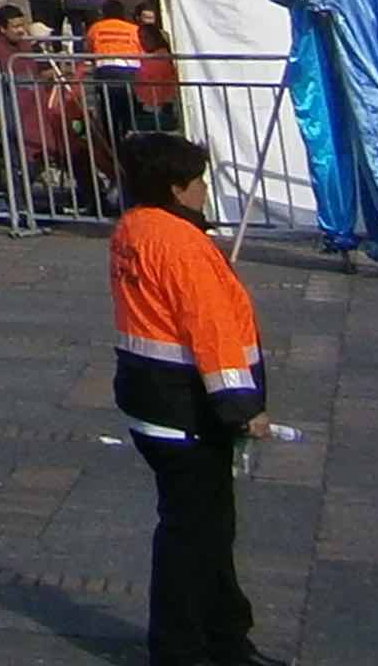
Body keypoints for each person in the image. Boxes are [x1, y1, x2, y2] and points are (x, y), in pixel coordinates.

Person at [107, 130, 272, 666]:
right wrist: (242, 407)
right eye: (199, 181)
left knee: (201, 525)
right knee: (196, 533)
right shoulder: (182, 245)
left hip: (150, 398)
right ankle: (186, 647)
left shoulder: (134, 229)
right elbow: (212, 330)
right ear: (178, 189)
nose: (205, 191)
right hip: (186, 407)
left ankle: (223, 635)